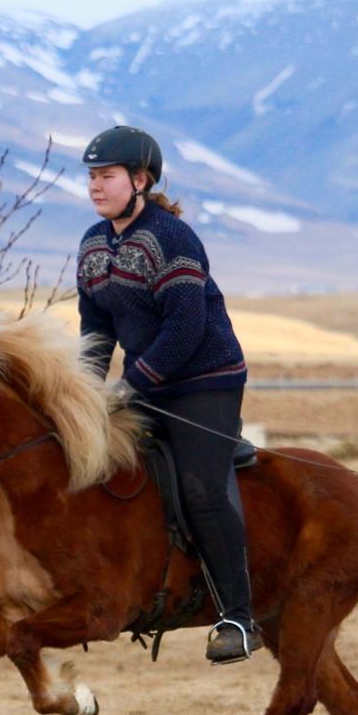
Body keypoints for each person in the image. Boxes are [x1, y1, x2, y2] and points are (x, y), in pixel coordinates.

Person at [76, 125, 262, 664]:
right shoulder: (92, 245)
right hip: (148, 383)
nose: (95, 187)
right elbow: (96, 332)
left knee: (202, 489)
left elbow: (185, 327)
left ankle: (239, 617)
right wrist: (86, 394)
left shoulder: (173, 238)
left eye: (106, 176)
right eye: (91, 177)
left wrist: (131, 385)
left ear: (140, 179)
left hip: (205, 381)